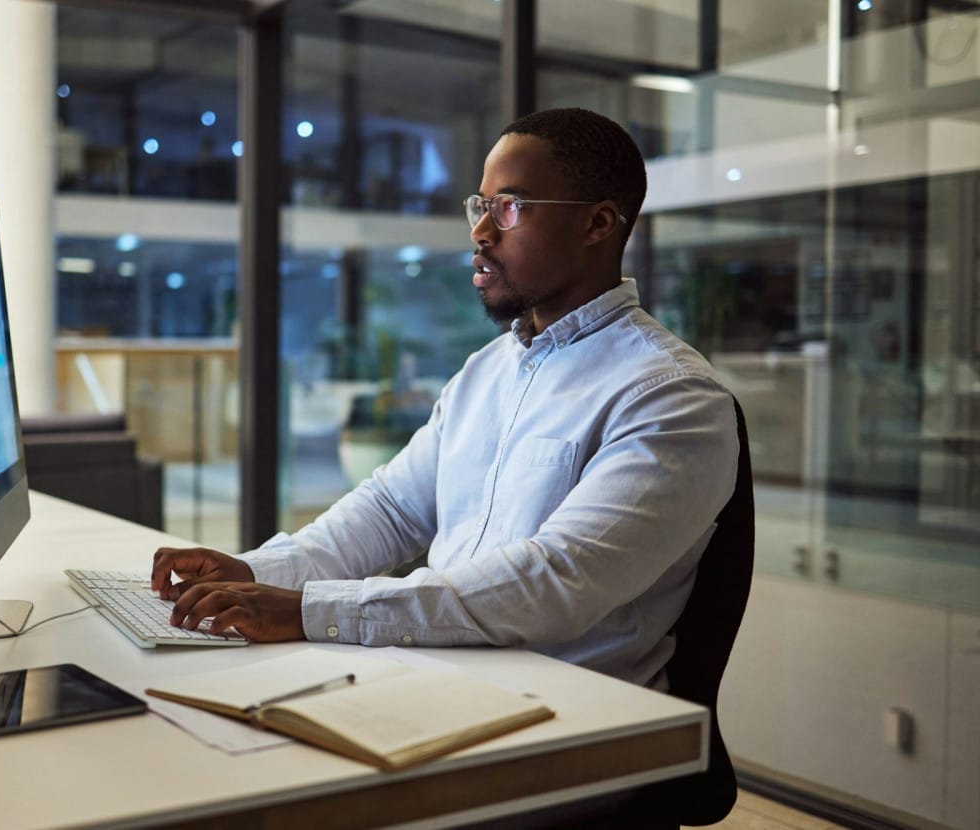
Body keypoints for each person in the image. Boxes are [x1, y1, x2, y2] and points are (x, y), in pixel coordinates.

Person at [152, 108, 738, 689]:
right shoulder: (486, 372)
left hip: (563, 714)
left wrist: (306, 609)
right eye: (480, 207)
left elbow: (554, 581)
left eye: (510, 207)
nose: (481, 232)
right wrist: (256, 571)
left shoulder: (671, 395)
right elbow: (392, 511)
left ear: (598, 223)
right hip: (436, 677)